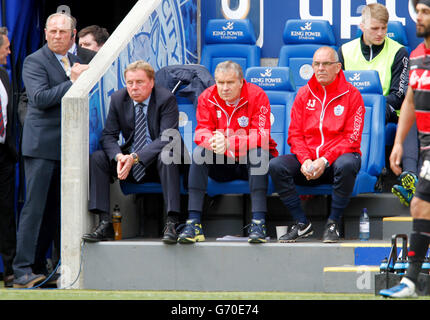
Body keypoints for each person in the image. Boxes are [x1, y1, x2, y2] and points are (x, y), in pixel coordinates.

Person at [12, 12, 89, 288]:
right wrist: (73, 81)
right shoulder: (34, 61)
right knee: (34, 209)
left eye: (62, 31)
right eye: (52, 31)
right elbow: (40, 98)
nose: (57, 36)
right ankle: (21, 271)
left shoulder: (82, 60)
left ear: (73, 34)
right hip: (41, 146)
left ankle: (44, 266)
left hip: (70, 148)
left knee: (57, 211)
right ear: (45, 33)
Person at [269, 46, 364, 243]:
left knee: (347, 163)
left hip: (337, 162)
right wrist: (305, 160)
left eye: (326, 64)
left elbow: (351, 138)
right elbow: (295, 134)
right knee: (276, 165)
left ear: (338, 67)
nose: (320, 68)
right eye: (316, 64)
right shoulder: (304, 94)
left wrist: (325, 160)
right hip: (309, 163)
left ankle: (333, 223)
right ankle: (301, 223)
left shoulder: (352, 95)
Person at [82, 60, 184, 244]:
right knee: (98, 157)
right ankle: (104, 222)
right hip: (128, 161)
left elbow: (167, 137)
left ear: (151, 82)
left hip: (156, 163)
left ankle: (172, 222)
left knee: (167, 155)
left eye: (139, 82)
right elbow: (108, 136)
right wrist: (119, 157)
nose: (134, 88)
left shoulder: (165, 98)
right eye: (130, 83)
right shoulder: (118, 99)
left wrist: (135, 158)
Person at [177, 60, 278, 244]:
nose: (224, 88)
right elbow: (201, 131)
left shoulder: (257, 95)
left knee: (257, 153)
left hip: (251, 161)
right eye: (220, 82)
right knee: (200, 153)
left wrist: (230, 143)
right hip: (224, 163)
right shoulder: (207, 96)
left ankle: (258, 222)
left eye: (230, 82)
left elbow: (262, 136)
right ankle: (193, 223)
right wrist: (213, 142)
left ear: (241, 82)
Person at [338, 3, 418, 207]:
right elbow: (337, 91)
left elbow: (399, 94)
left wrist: (373, 108)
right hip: (350, 112)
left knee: (398, 117)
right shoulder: (345, 51)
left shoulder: (398, 51)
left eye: (384, 28)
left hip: (388, 111)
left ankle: (407, 178)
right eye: (375, 28)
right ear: (362, 26)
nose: (380, 33)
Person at [379, 0, 430, 298]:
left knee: (421, 205)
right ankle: (410, 282)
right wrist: (399, 141)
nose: (419, 18)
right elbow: (410, 99)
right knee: (420, 206)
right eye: (418, 12)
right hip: (425, 145)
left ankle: (410, 281)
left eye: (426, 12)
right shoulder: (417, 56)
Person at [0, 27, 17, 288]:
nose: (9, 51)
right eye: (5, 46)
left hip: (3, 154)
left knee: (5, 212)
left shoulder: (4, 75)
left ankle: (11, 269)